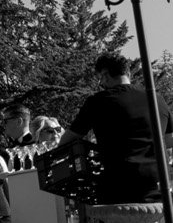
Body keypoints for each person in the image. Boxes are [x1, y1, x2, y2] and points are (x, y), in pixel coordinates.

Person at [54, 53, 173, 204]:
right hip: (158, 179)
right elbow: (169, 140)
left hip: (119, 180)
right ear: (127, 73)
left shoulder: (98, 102)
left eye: (100, 79)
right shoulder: (157, 98)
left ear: (105, 75)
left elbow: (71, 137)